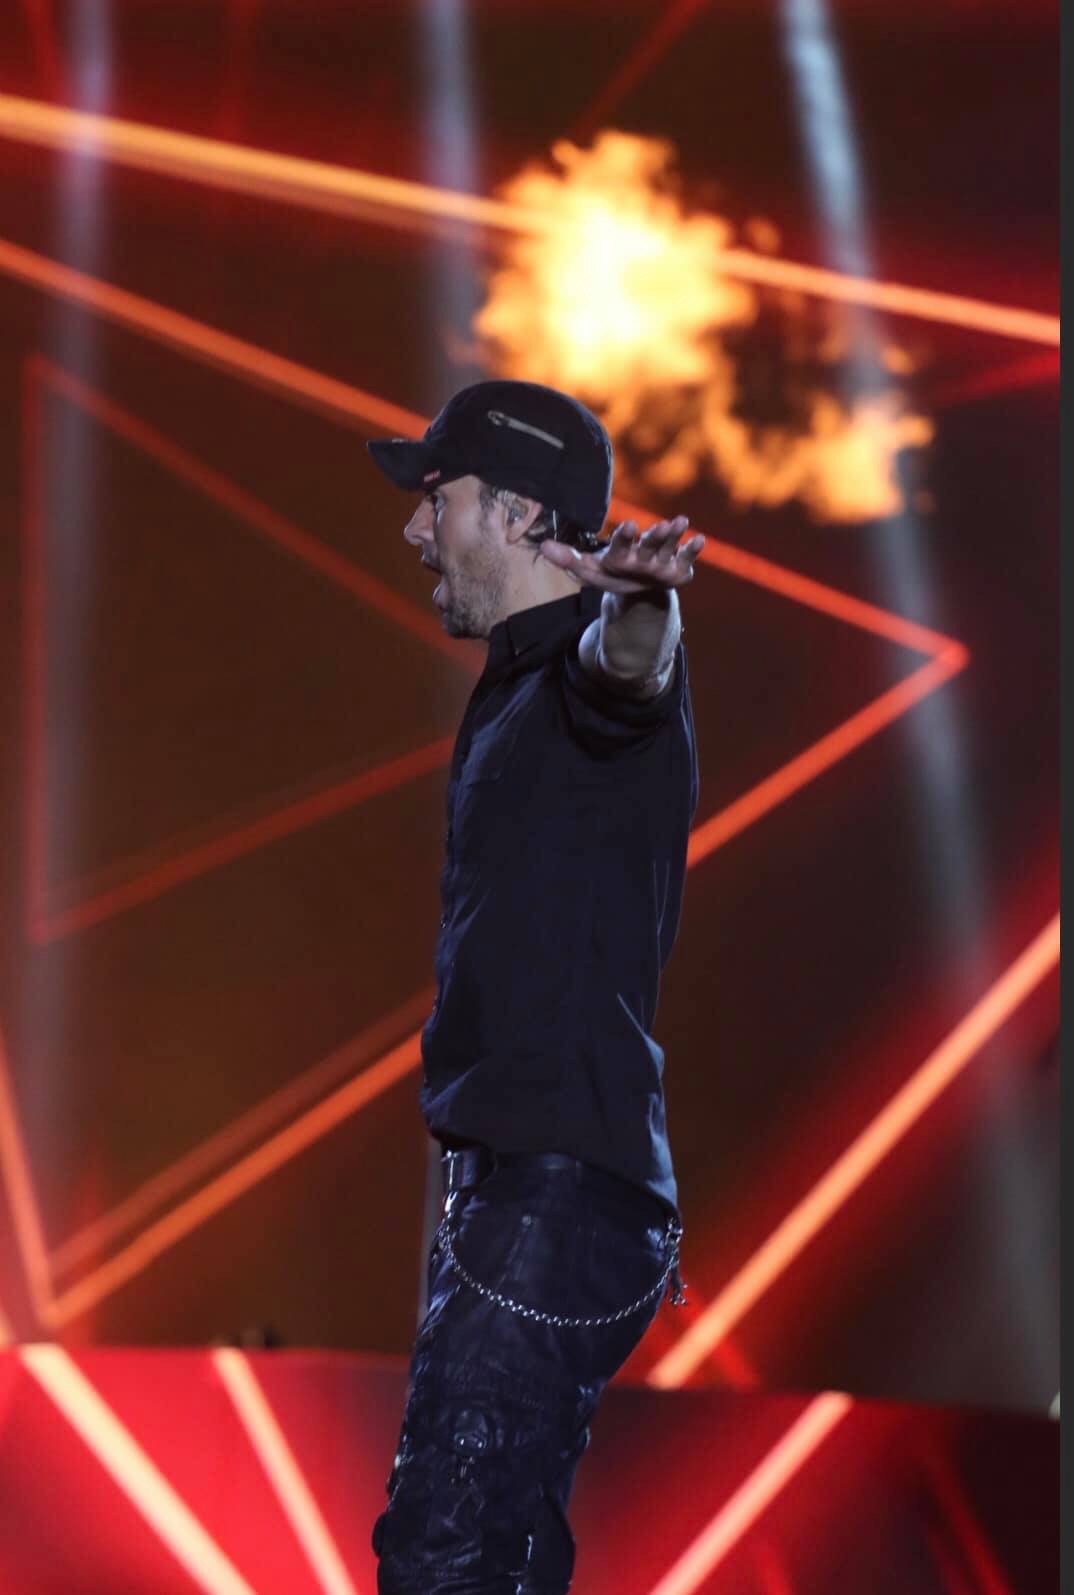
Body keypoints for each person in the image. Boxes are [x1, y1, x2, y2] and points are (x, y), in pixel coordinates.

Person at [366, 379, 702, 1593]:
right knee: (493, 1553)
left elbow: (630, 673)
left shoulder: (584, 668)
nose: (416, 526)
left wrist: (645, 605)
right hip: (528, 1200)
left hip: (553, 1198)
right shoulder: (514, 686)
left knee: (446, 1557)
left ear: (515, 514)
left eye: (438, 496)